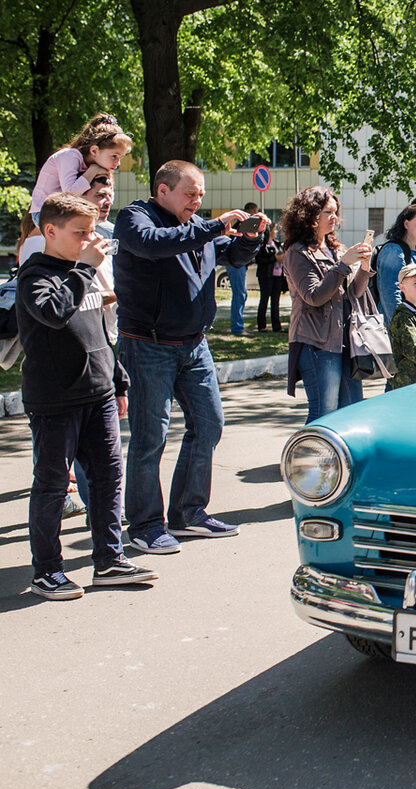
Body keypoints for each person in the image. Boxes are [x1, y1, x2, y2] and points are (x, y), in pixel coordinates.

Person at [114, 160, 264, 555]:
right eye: (190, 192)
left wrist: (249, 238)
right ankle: (145, 524)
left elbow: (231, 255)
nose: (197, 200)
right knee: (151, 438)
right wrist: (214, 225)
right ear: (163, 190)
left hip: (193, 345)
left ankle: (188, 513)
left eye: (200, 193)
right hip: (148, 344)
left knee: (209, 425)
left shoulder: (196, 228)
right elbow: (153, 245)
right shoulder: (135, 217)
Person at [15, 192, 157, 599]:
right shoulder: (35, 273)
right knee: (53, 485)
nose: (90, 240)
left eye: (92, 231)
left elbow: (98, 335)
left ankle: (109, 560)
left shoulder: (84, 270)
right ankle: (47, 571)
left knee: (109, 478)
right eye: (81, 233)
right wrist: (84, 269)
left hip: (98, 394)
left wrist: (118, 381)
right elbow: (56, 313)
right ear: (50, 231)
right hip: (55, 400)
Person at [281, 186, 373, 424]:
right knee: (325, 412)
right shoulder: (298, 252)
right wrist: (344, 265)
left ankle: (340, 461)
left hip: (344, 341)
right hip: (316, 343)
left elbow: (355, 293)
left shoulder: (337, 249)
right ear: (310, 215)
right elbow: (314, 296)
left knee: (351, 410)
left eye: (335, 212)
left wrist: (363, 266)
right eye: (327, 212)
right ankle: (310, 460)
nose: (334, 217)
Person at [30, 114, 132, 221]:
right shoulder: (70, 156)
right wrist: (93, 171)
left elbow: (110, 195)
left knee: (111, 232)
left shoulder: (101, 165)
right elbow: (69, 195)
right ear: (94, 151)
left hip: (70, 213)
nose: (118, 163)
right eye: (114, 156)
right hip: (44, 214)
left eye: (120, 157)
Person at [377, 204, 416, 324]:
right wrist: (403, 326)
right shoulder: (393, 251)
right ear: (406, 224)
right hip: (400, 331)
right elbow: (390, 293)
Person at [225, 201, 261, 334]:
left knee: (241, 294)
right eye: (256, 212)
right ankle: (237, 327)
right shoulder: (244, 225)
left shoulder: (240, 224)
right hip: (236, 264)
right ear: (251, 212)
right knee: (240, 294)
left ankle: (238, 325)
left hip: (238, 264)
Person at [255, 224, 285, 332]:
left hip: (278, 276)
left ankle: (276, 326)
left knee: (275, 302)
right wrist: (274, 258)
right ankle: (261, 325)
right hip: (266, 275)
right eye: (274, 230)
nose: (276, 232)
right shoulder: (262, 245)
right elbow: (259, 260)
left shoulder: (277, 244)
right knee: (264, 300)